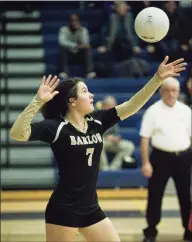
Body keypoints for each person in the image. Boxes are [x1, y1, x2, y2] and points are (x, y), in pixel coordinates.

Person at [10, 56, 186, 242]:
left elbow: (132, 106)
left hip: (91, 208)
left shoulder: (97, 122)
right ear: (72, 101)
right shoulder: (56, 127)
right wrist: (37, 102)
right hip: (64, 209)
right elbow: (18, 133)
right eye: (85, 91)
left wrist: (157, 79)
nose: (92, 95)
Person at [140, 77, 192, 242]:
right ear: (161, 92)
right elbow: (144, 139)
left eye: (174, 90)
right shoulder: (152, 111)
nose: (170, 93)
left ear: (178, 92)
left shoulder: (186, 111)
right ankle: (151, 231)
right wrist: (146, 162)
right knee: (155, 195)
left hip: (184, 157)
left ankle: (189, 230)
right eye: (167, 90)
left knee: (185, 196)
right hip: (160, 158)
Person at [100, 95, 135, 171]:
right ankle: (104, 168)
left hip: (110, 142)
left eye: (113, 106)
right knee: (98, 142)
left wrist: (116, 137)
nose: (112, 109)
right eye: (109, 106)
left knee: (129, 146)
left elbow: (116, 132)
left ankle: (113, 168)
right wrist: (106, 137)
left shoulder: (113, 116)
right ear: (103, 106)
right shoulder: (96, 115)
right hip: (100, 140)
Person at [58, 14, 96, 79]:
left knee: (87, 49)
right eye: (72, 20)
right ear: (69, 22)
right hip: (69, 54)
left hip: (79, 55)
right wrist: (76, 45)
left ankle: (89, 72)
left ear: (79, 21)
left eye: (76, 20)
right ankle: (64, 72)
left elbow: (85, 43)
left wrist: (79, 31)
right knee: (62, 48)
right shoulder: (63, 29)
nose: (74, 22)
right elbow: (62, 42)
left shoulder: (83, 30)